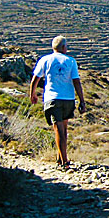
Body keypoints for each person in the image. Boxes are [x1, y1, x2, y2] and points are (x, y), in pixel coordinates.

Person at [29, 35, 86, 167]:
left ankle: (64, 160)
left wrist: (32, 94)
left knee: (58, 129)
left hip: (52, 98)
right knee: (63, 129)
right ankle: (61, 158)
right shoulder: (71, 61)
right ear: (64, 47)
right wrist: (81, 100)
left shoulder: (45, 60)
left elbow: (35, 79)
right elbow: (76, 82)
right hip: (68, 99)